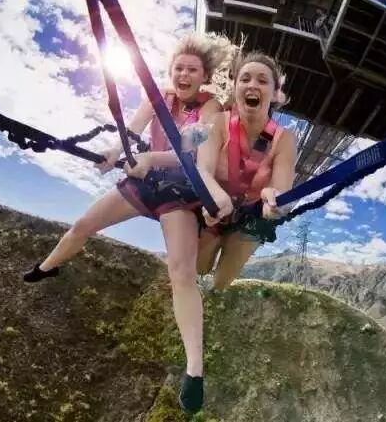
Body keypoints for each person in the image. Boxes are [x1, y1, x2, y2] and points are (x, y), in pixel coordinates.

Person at [22, 32, 235, 414]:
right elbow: (130, 132)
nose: (184, 75)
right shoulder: (157, 98)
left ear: (204, 76)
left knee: (182, 274)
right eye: (179, 68)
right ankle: (47, 267)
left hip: (179, 192)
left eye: (192, 70)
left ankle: (194, 370)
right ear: (171, 71)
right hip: (144, 182)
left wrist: (150, 158)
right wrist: (111, 153)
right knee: (83, 225)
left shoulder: (211, 109)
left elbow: (190, 151)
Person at [195, 51, 297, 291]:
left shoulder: (284, 139)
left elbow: (281, 190)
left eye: (262, 81)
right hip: (213, 208)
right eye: (245, 79)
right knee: (197, 269)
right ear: (235, 87)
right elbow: (203, 169)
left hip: (250, 217)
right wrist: (215, 197)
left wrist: (274, 201)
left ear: (275, 93)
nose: (252, 85)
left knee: (221, 283)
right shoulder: (218, 122)